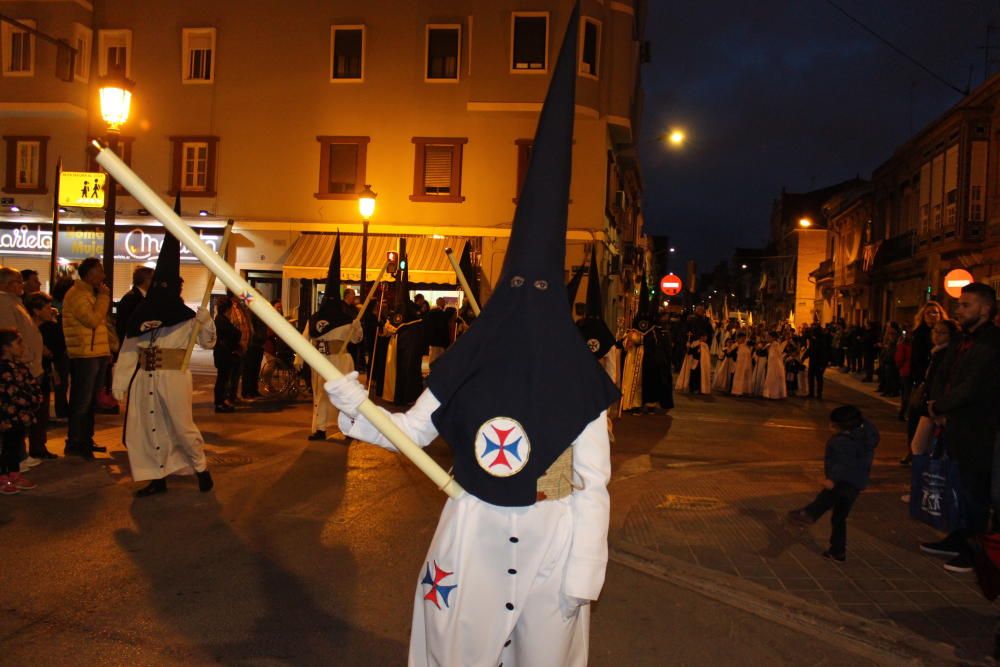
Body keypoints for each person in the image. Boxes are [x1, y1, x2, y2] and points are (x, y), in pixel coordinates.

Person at [325, 10, 618, 662]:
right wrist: (356, 408)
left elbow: (593, 481)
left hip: (553, 544)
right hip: (473, 537)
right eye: (518, 294)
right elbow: (413, 430)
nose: (526, 310)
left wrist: (584, 568)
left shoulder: (576, 379)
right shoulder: (472, 357)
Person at [112, 232, 216, 497]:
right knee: (146, 427)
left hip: (174, 375)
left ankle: (200, 467)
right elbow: (129, 349)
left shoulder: (186, 317)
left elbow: (208, 343)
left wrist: (207, 322)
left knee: (181, 425)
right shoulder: (141, 315)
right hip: (145, 376)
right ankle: (155, 476)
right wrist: (120, 382)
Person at [921, 283, 1000, 573]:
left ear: (985, 308)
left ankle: (976, 549)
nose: (959, 309)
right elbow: (944, 374)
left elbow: (974, 385)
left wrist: (942, 407)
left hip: (979, 428)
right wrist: (935, 404)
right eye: (959, 304)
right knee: (961, 486)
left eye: (966, 305)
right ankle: (960, 536)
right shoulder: (960, 339)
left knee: (976, 492)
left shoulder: (992, 343)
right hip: (953, 424)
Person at [788, 405, 879, 561]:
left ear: (841, 427)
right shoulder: (865, 435)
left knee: (828, 497)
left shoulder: (842, 442)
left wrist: (831, 479)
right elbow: (871, 434)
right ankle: (837, 550)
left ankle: (810, 513)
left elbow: (842, 463)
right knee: (839, 517)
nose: (830, 427)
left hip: (842, 481)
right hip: (857, 482)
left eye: (833, 424)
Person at [304, 233, 362, 441]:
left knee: (337, 395)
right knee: (329, 395)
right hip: (328, 360)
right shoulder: (341, 319)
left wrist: (356, 326)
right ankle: (324, 429)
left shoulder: (341, 319)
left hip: (333, 359)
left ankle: (340, 429)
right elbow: (358, 339)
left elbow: (356, 339)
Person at [62, 257, 112, 459]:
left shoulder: (90, 293)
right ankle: (75, 442)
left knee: (91, 401)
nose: (103, 275)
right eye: (99, 271)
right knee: (81, 401)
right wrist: (104, 298)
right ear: (89, 273)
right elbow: (92, 320)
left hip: (96, 353)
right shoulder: (77, 294)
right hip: (84, 354)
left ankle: (86, 439)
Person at [0, 328, 42, 495]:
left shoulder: (20, 366)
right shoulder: (3, 369)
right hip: (6, 416)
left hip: (20, 415)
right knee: (6, 446)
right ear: (6, 347)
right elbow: (10, 393)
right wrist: (29, 400)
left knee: (15, 443)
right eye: (18, 343)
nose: (22, 346)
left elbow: (31, 385)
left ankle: (14, 473)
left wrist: (35, 398)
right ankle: (3, 476)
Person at [380, 265, 424, 406]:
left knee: (400, 371)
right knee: (408, 371)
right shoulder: (414, 314)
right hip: (407, 348)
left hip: (397, 346)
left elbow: (389, 329)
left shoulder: (400, 312)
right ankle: (407, 396)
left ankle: (398, 396)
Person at [24, 292, 59, 460]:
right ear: (36, 311)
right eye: (46, 307)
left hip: (43, 372)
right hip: (30, 372)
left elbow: (57, 350)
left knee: (42, 412)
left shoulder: (50, 328)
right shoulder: (27, 328)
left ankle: (38, 446)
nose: (50, 310)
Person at [213, 299, 241, 413]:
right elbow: (235, 333)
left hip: (224, 352)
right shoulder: (221, 320)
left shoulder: (222, 319)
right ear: (227, 308)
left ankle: (221, 401)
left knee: (224, 378)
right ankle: (219, 403)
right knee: (222, 379)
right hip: (223, 353)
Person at [115, 266, 154, 344]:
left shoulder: (142, 297)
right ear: (145, 280)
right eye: (152, 279)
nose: (155, 282)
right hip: (131, 342)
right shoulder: (132, 298)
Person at [805, 323, 831, 399]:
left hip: (819, 362)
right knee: (811, 377)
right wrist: (804, 357)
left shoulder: (822, 340)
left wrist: (823, 364)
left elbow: (824, 352)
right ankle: (811, 393)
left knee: (818, 378)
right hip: (813, 361)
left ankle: (819, 394)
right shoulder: (814, 339)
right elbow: (810, 349)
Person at [762, 331, 787, 400]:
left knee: (774, 379)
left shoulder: (776, 344)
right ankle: (770, 394)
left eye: (769, 337)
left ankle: (774, 394)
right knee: (771, 378)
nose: (767, 338)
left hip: (775, 365)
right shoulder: (770, 345)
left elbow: (777, 355)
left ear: (773, 337)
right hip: (772, 364)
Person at [730, 332, 753, 396]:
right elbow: (731, 354)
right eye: (742, 338)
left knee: (743, 378)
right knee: (736, 377)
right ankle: (736, 390)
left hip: (744, 365)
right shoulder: (736, 346)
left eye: (744, 338)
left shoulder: (746, 347)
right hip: (737, 365)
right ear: (738, 338)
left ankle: (743, 390)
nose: (743, 340)